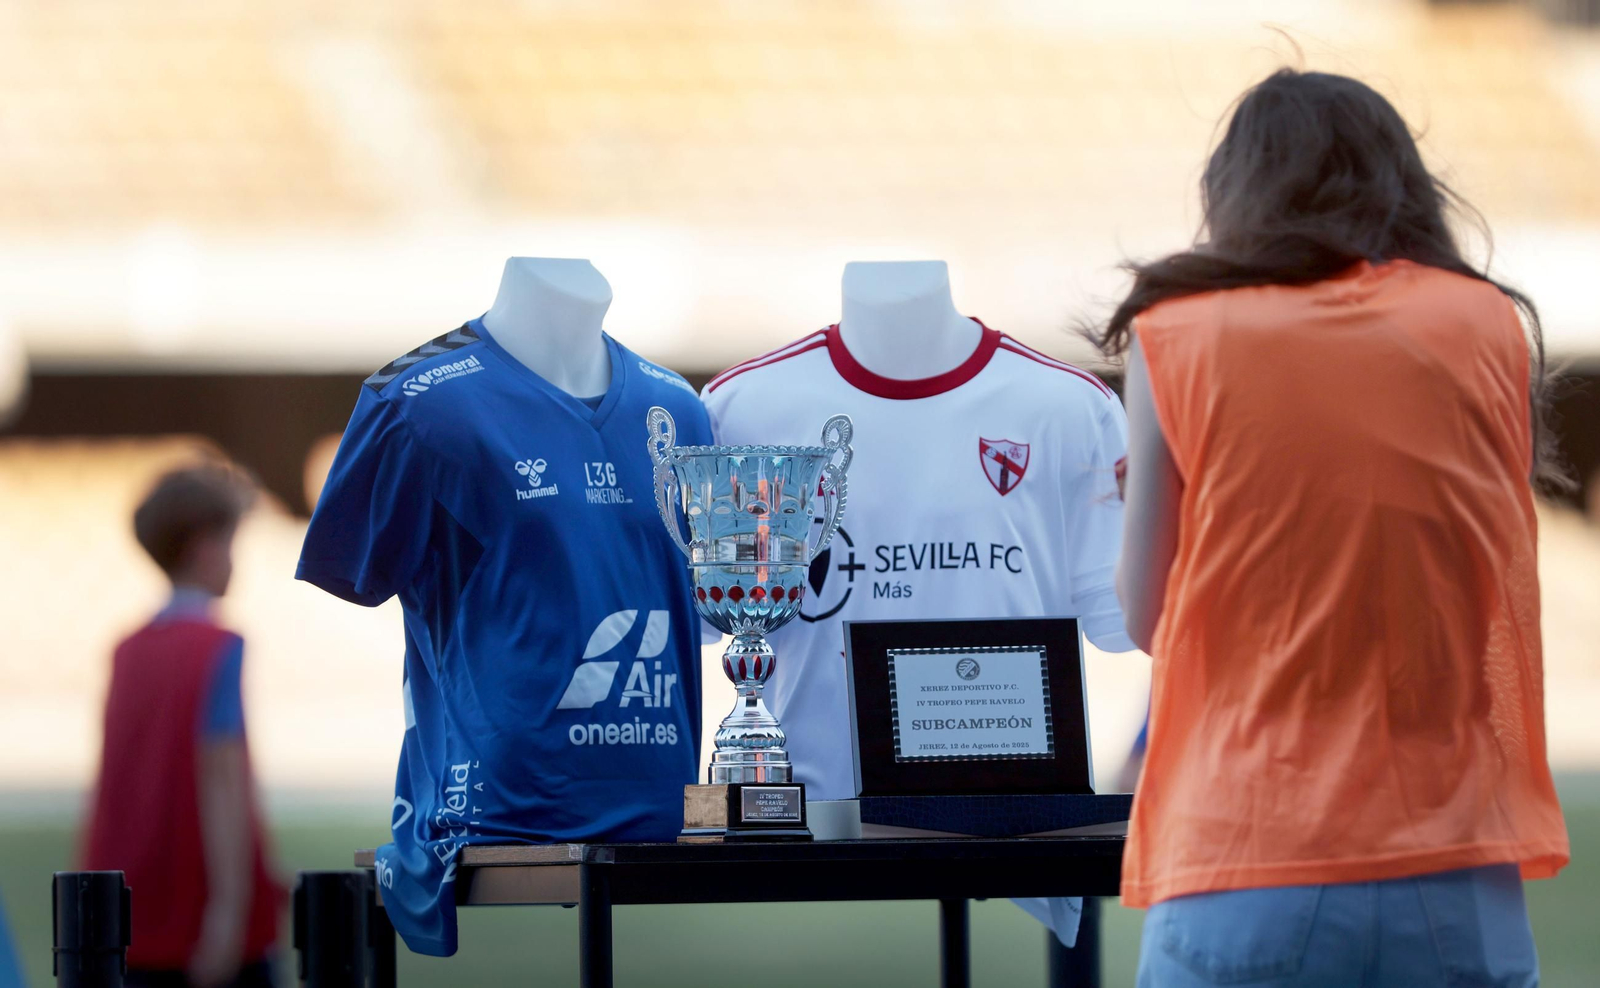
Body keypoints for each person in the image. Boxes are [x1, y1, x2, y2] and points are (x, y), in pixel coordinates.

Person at [1108, 69, 1570, 987]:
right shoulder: (1485, 323)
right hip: (1454, 860)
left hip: (1244, 849)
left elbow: (1147, 619)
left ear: (1236, 193)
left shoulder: (1178, 332)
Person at [82, 464, 282, 988]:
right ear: (204, 546)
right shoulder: (218, 648)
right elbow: (221, 776)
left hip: (128, 903)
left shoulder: (128, 651)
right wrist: (229, 911)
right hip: (199, 908)